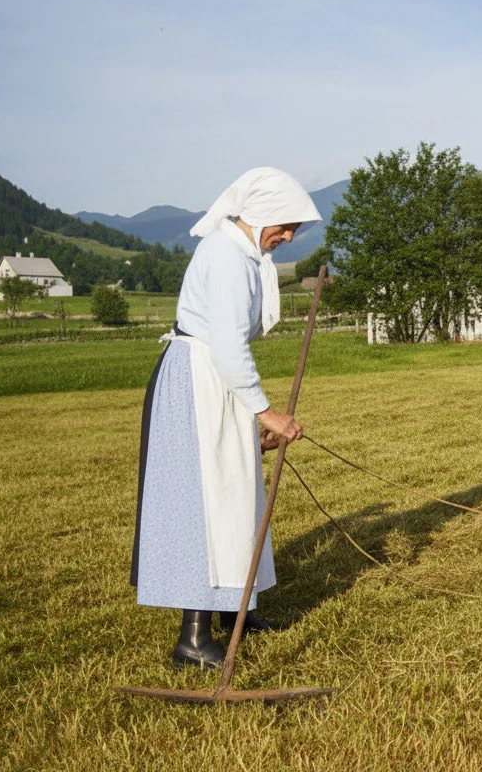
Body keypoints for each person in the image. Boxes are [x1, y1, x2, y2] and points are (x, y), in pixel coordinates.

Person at [131, 167, 318, 668]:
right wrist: (265, 411)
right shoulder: (226, 253)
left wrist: (252, 417)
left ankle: (238, 609)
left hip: (216, 379)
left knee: (238, 493)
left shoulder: (243, 253)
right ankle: (193, 639)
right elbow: (229, 344)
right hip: (200, 379)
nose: (288, 237)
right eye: (285, 226)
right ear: (260, 215)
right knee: (211, 504)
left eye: (294, 229)